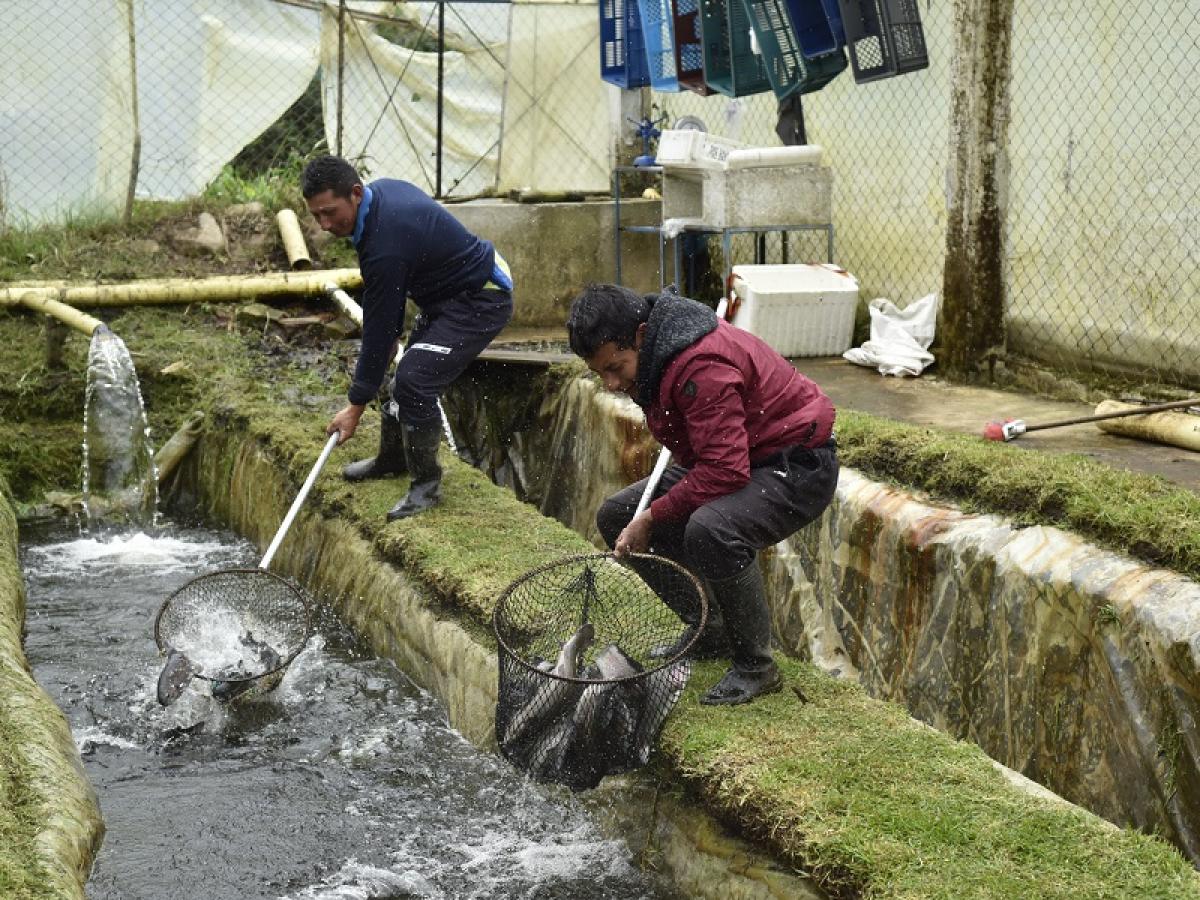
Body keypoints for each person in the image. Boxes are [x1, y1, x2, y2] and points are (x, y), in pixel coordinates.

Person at [566, 284, 839, 705]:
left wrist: (653, 516)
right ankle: (708, 632)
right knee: (617, 515)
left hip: (794, 463)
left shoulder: (699, 365)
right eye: (600, 372)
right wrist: (646, 513)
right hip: (742, 454)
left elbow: (726, 471)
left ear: (640, 335)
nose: (612, 383)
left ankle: (756, 665)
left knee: (710, 529)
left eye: (616, 367)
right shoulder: (654, 354)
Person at [302, 155, 513, 520]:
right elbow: (387, 315)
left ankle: (425, 488)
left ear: (354, 193)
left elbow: (380, 329)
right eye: (316, 215)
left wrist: (355, 406)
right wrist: (387, 343)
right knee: (404, 369)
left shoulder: (385, 240)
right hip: (444, 295)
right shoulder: (378, 202)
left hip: (482, 296)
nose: (324, 225)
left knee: (414, 380)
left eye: (329, 212)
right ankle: (393, 458)